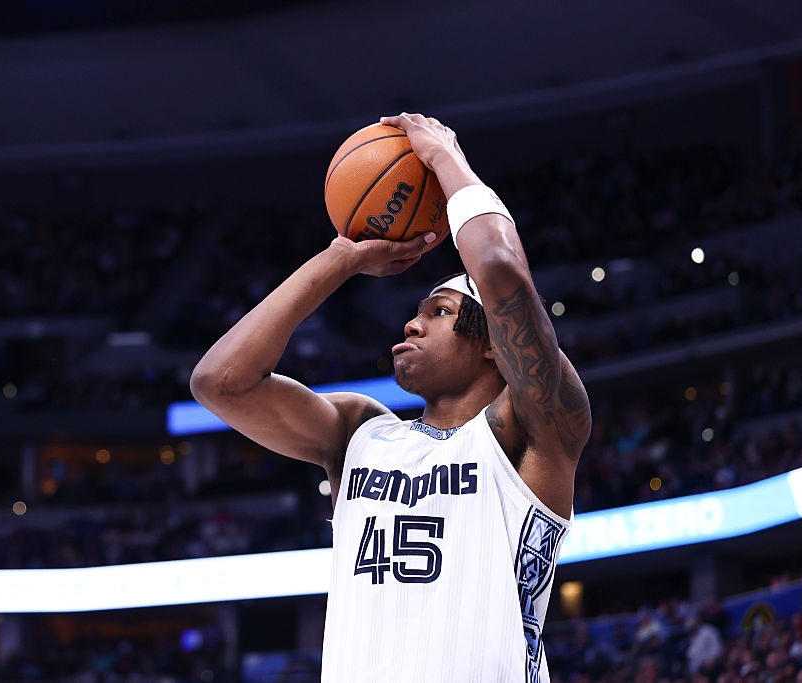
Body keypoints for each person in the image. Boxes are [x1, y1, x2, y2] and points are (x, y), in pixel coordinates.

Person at [190, 113, 591, 682]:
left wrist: (445, 159)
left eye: (440, 312)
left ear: (494, 348)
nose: (411, 324)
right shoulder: (360, 432)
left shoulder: (531, 430)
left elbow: (501, 269)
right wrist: (343, 257)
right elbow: (220, 383)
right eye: (417, 310)